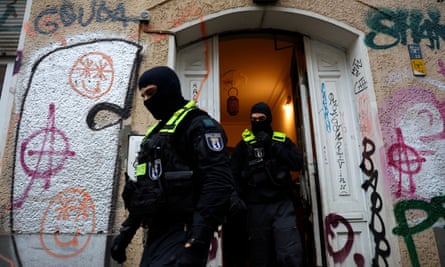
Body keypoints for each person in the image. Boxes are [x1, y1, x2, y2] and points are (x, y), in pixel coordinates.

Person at [110, 66, 234, 267]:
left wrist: (197, 239)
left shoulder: (198, 125)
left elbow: (218, 183)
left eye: (151, 92)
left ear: (169, 88)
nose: (147, 101)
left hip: (185, 231)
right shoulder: (154, 134)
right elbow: (144, 190)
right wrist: (126, 234)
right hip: (157, 234)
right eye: (143, 96)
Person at [230, 101, 304, 267]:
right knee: (260, 257)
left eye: (261, 118)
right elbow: (233, 174)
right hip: (256, 207)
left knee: (289, 254)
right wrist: (235, 195)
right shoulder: (244, 145)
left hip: (281, 204)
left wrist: (274, 146)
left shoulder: (281, 139)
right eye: (253, 119)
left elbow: (297, 163)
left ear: (269, 119)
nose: (257, 122)